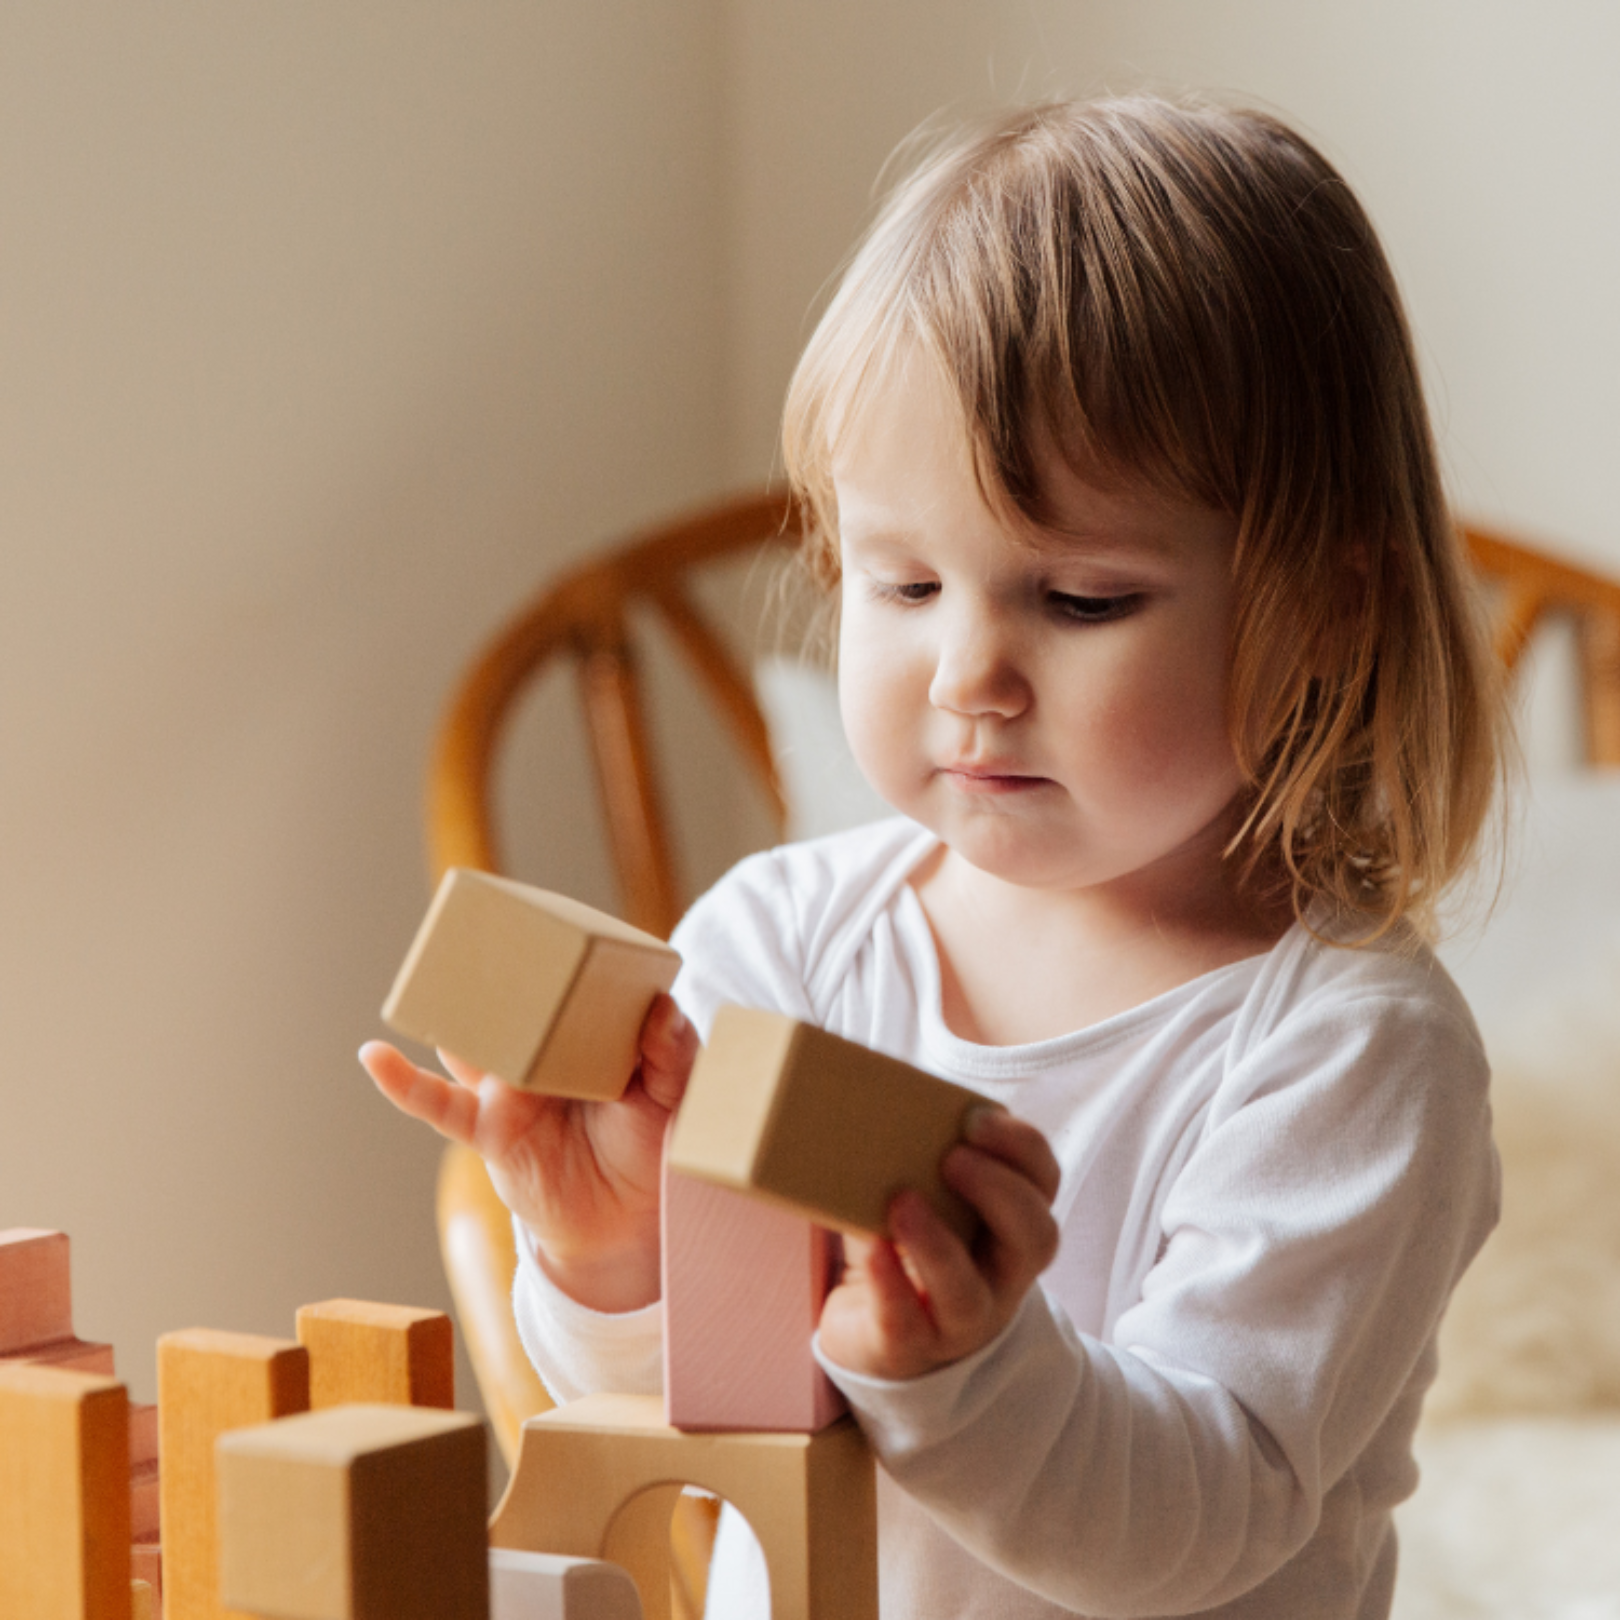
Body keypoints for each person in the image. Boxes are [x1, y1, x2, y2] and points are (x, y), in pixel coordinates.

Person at [362, 95, 1509, 1619]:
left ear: (1328, 606)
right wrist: (609, 1257)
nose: (970, 671)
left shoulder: (1351, 1051)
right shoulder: (777, 947)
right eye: (901, 581)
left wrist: (974, 1372)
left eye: (1084, 598)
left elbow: (1203, 1515)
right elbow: (700, 1424)